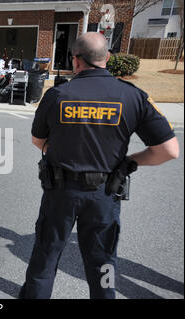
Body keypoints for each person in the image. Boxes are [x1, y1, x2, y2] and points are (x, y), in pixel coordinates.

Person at [19, 32, 179, 299]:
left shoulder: (57, 94)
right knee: (103, 261)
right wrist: (128, 163)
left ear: (76, 61)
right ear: (107, 58)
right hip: (104, 195)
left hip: (60, 192)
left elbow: (39, 140)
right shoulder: (133, 96)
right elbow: (168, 151)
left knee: (45, 256)